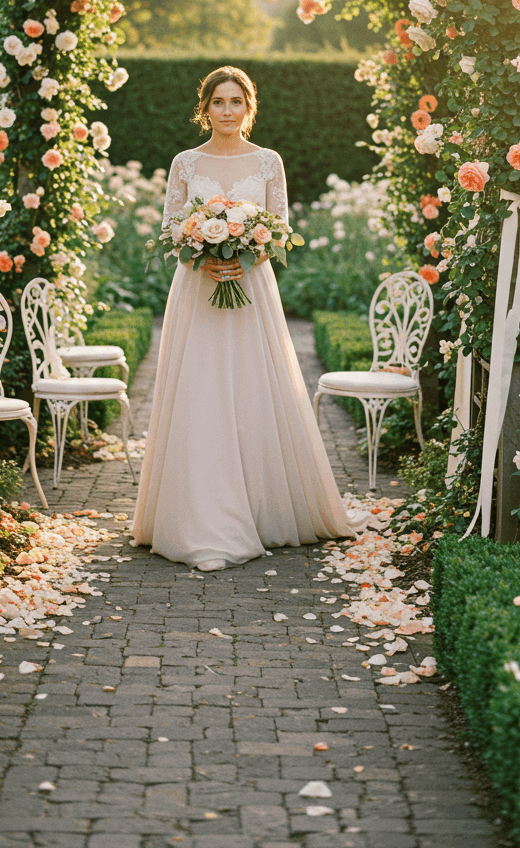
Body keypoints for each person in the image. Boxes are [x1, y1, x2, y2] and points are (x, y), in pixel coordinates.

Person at [131, 65, 367, 571]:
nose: (227, 111)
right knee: (199, 393)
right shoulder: (185, 163)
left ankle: (260, 510)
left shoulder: (268, 162)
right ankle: (196, 518)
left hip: (251, 289)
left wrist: (243, 259)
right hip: (197, 290)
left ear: (249, 107)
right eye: (218, 102)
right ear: (205, 108)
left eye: (236, 101)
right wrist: (202, 257)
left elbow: (279, 230)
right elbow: (173, 229)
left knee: (252, 389)